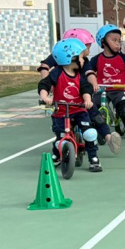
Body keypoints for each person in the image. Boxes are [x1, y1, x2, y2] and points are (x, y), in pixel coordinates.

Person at [37, 38, 102, 173]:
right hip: (61, 111)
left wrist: (87, 100)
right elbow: (45, 84)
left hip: (79, 110)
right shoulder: (57, 73)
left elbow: (86, 88)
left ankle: (93, 157)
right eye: (81, 57)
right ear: (71, 58)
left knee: (89, 133)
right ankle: (57, 153)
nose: (83, 61)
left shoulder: (79, 75)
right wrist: (45, 97)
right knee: (61, 136)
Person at [91, 25, 125, 140]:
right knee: (93, 108)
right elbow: (87, 73)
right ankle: (97, 130)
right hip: (102, 90)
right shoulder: (96, 59)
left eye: (119, 40)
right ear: (103, 42)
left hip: (119, 90)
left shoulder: (123, 58)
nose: (118, 43)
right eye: (114, 40)